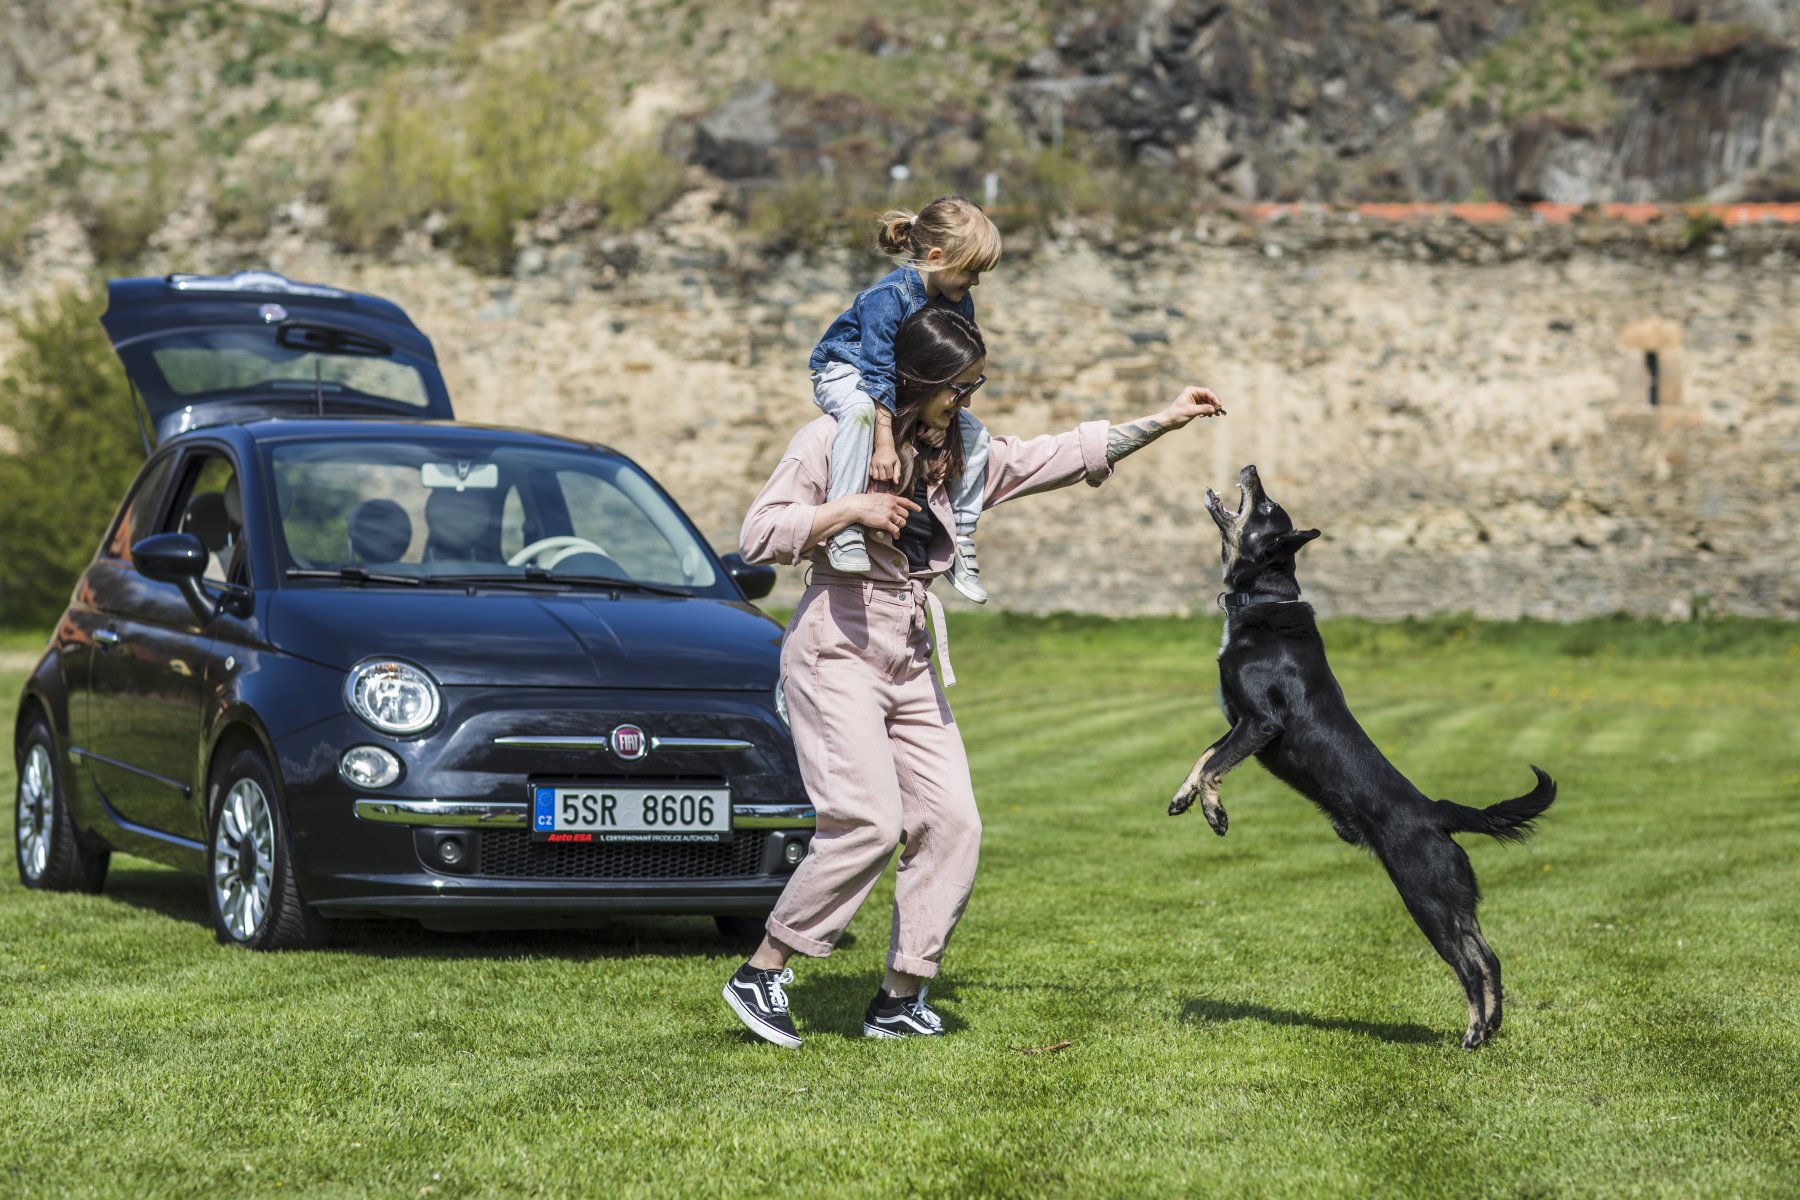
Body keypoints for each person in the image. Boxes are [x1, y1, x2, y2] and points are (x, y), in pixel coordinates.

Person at [724, 306, 1227, 1048]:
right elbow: (759, 533)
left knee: (954, 823)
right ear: (914, 379)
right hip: (836, 644)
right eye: (957, 387)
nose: (965, 401)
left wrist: (1165, 420)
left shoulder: (961, 451)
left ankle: (899, 997)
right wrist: (849, 509)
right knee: (867, 823)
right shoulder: (831, 438)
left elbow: (1054, 456)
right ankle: (764, 970)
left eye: (974, 387)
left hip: (911, 649)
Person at [807, 194, 1001, 603]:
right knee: (859, 411)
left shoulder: (958, 301)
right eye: (971, 270)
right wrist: (884, 443)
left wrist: (942, 420)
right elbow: (877, 371)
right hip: (847, 369)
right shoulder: (887, 298)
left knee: (977, 435)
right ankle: (845, 525)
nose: (975, 282)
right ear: (936, 257)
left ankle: (960, 536)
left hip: (899, 384)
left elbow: (950, 368)